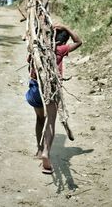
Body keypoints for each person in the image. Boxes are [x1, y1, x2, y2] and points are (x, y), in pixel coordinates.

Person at [25, 23, 82, 174]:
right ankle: (45, 153)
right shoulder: (61, 49)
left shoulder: (38, 48)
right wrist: (67, 27)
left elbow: (28, 61)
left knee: (40, 119)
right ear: (63, 42)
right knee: (51, 121)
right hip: (50, 89)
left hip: (35, 88)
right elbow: (79, 42)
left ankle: (38, 149)